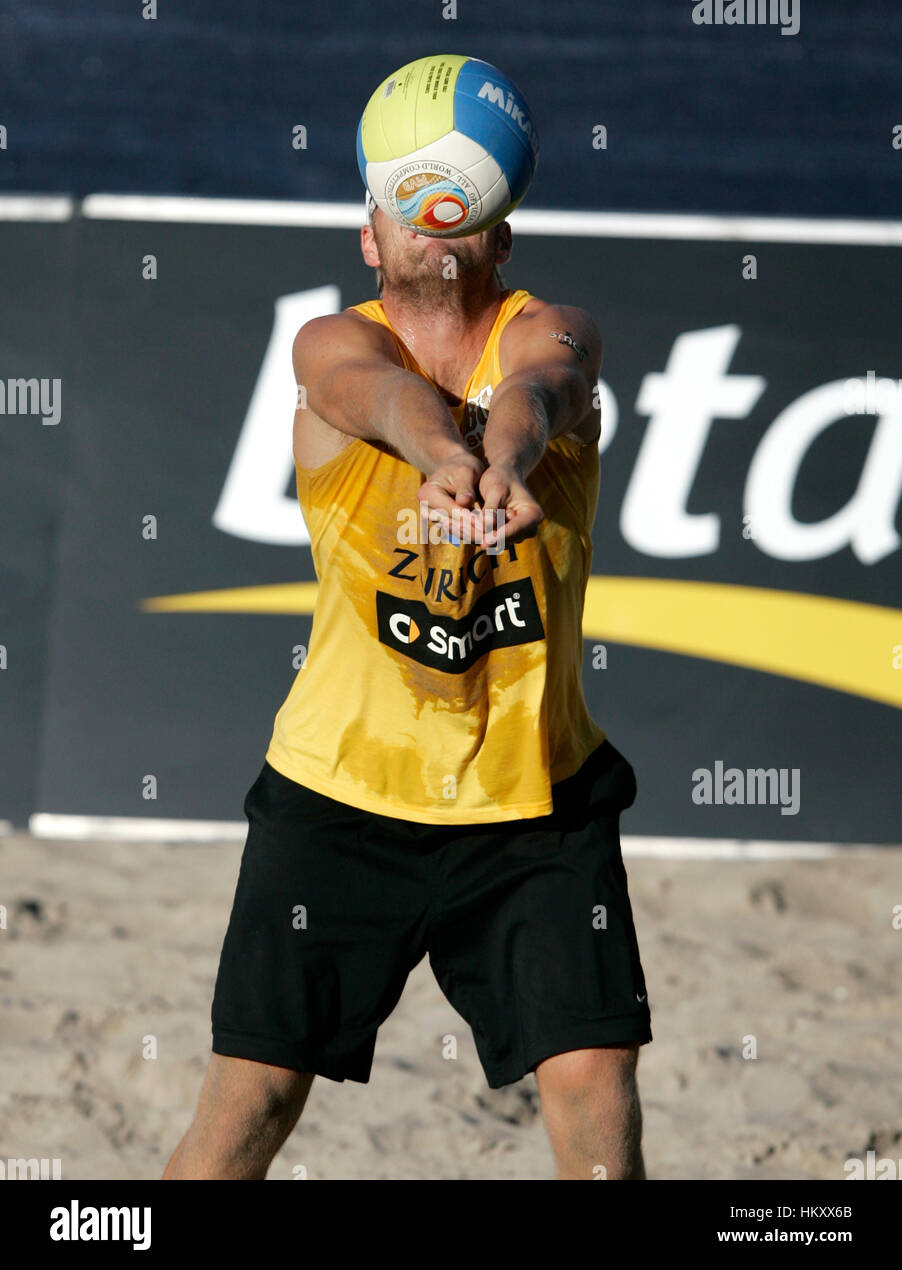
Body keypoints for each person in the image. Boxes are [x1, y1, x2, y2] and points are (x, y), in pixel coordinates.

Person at [163, 190, 651, 1181]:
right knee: (249, 1104)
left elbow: (545, 385)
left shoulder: (557, 331)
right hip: (338, 796)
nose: (434, 212)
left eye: (460, 199)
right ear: (368, 237)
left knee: (593, 1089)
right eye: (406, 199)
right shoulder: (328, 341)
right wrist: (442, 459)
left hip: (533, 802)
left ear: (500, 238)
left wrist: (506, 460)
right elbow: (368, 392)